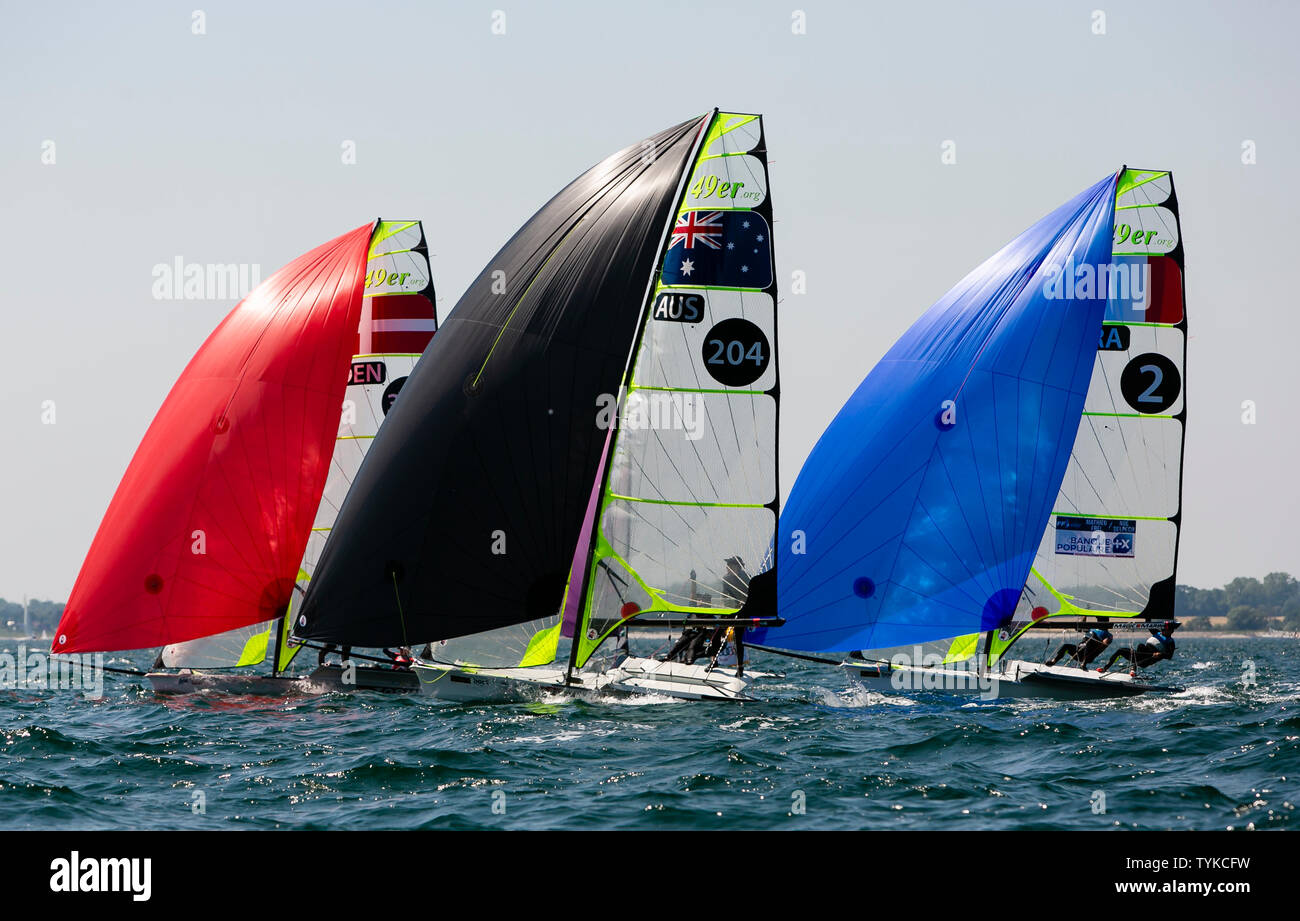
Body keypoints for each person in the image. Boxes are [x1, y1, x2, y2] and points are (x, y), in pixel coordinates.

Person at [1097, 621, 1178, 673]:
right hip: (1140, 654)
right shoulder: (1157, 633)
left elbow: (1169, 656)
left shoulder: (1170, 642)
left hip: (1148, 659)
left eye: (1167, 630)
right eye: (1163, 629)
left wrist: (1160, 654)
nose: (1164, 631)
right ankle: (1105, 668)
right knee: (1120, 650)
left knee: (1141, 646)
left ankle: (1133, 669)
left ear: (1171, 631)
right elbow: (1148, 623)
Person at [1045, 622, 1112, 668]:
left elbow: (1103, 646)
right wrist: (1084, 614)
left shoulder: (1108, 635)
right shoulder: (1092, 628)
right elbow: (1081, 626)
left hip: (1089, 655)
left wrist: (1104, 642)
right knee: (1066, 646)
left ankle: (1084, 664)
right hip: (1079, 652)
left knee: (1091, 640)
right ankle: (1053, 661)